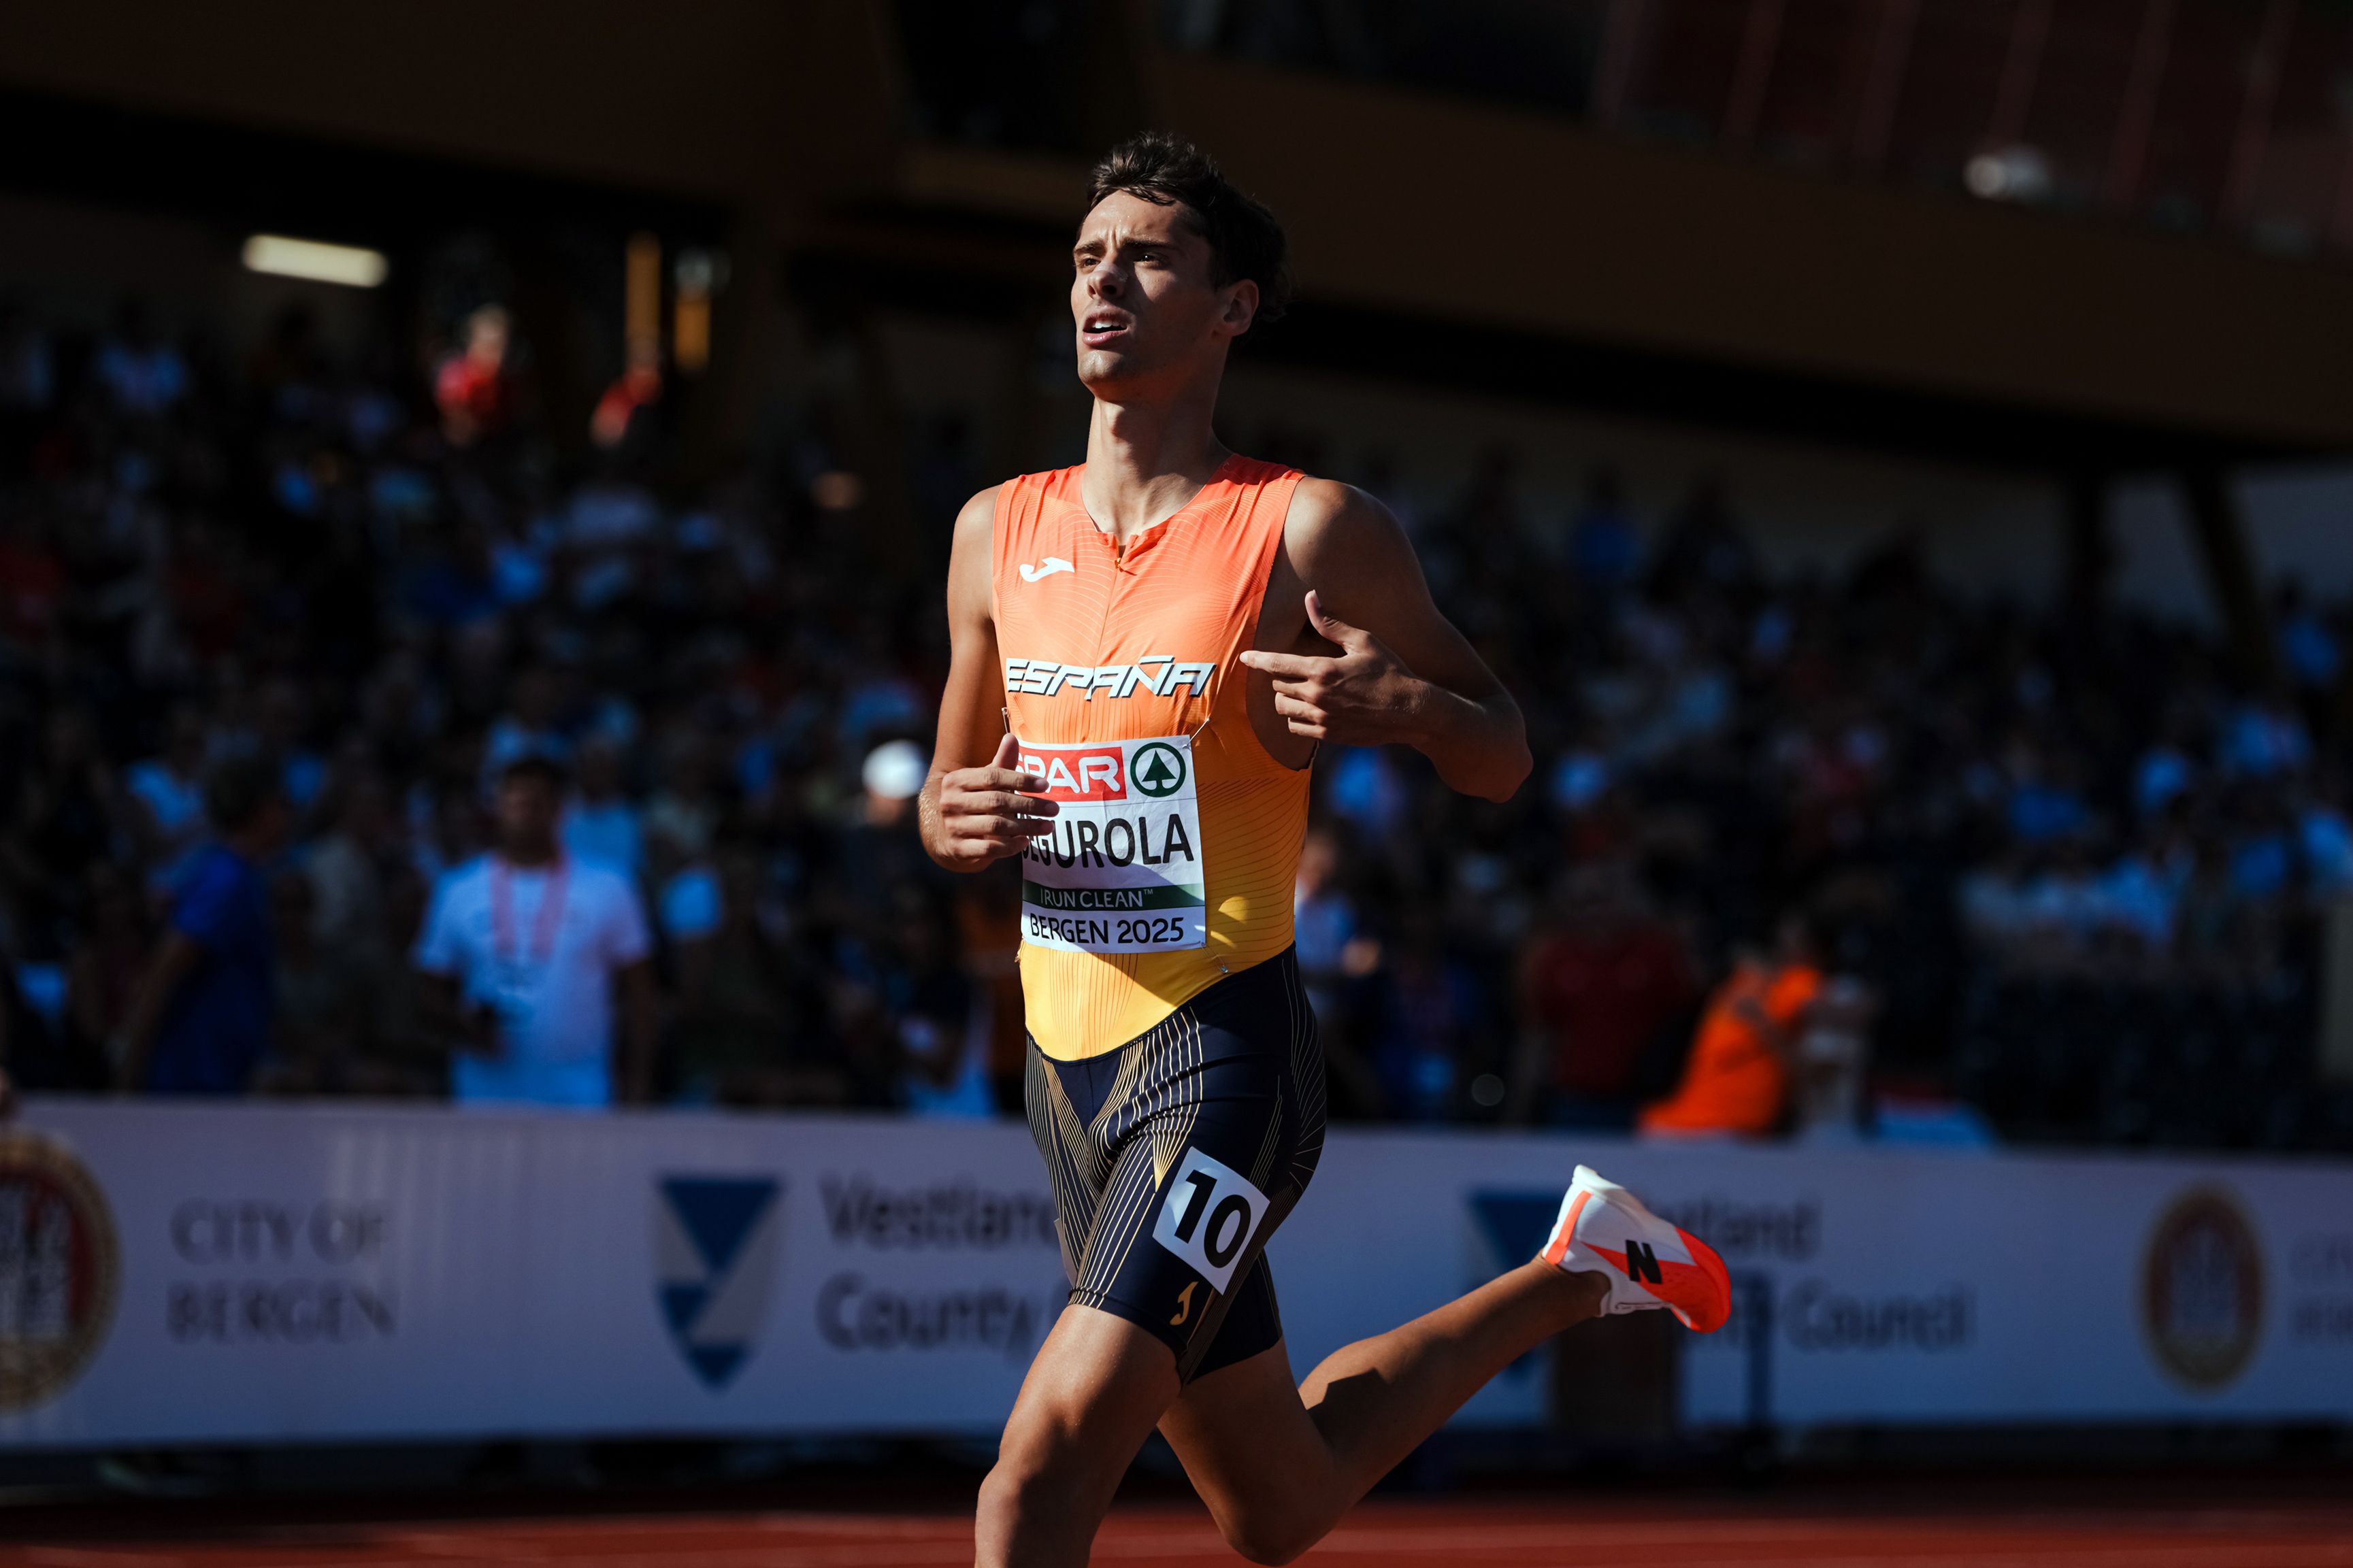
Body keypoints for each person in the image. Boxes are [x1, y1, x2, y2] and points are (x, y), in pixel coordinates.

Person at [918, 133, 1731, 1568]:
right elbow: (944, 794)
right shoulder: (993, 532)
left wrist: (1399, 708)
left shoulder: (1306, 530)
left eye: (1146, 254)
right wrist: (950, 817)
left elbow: (1502, 747)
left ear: (1231, 308)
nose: (1103, 278)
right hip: (1066, 1073)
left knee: (1036, 1475)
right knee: (1279, 1506)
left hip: (1222, 1052)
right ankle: (1578, 1268)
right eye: (1086, 255)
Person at [412, 754, 657, 1107]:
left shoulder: (609, 886)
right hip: (484, 1092)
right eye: (515, 800)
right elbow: (428, 990)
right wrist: (465, 1025)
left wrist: (638, 1085)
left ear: (561, 808)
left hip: (579, 1093)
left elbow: (640, 995)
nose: (526, 811)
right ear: (495, 806)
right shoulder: (458, 888)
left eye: (538, 801)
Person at [114, 758, 290, 1094]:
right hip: (193, 1079)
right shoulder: (226, 881)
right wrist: (128, 1070)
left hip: (223, 1075)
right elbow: (166, 969)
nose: (289, 818)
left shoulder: (241, 876)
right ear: (264, 810)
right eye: (283, 806)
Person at [1639, 910, 1825, 1139]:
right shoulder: (1737, 985)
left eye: (1795, 938)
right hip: (1691, 1121)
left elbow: (1826, 1016)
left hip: (1734, 1125)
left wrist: (1760, 1020)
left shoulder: (1800, 984)